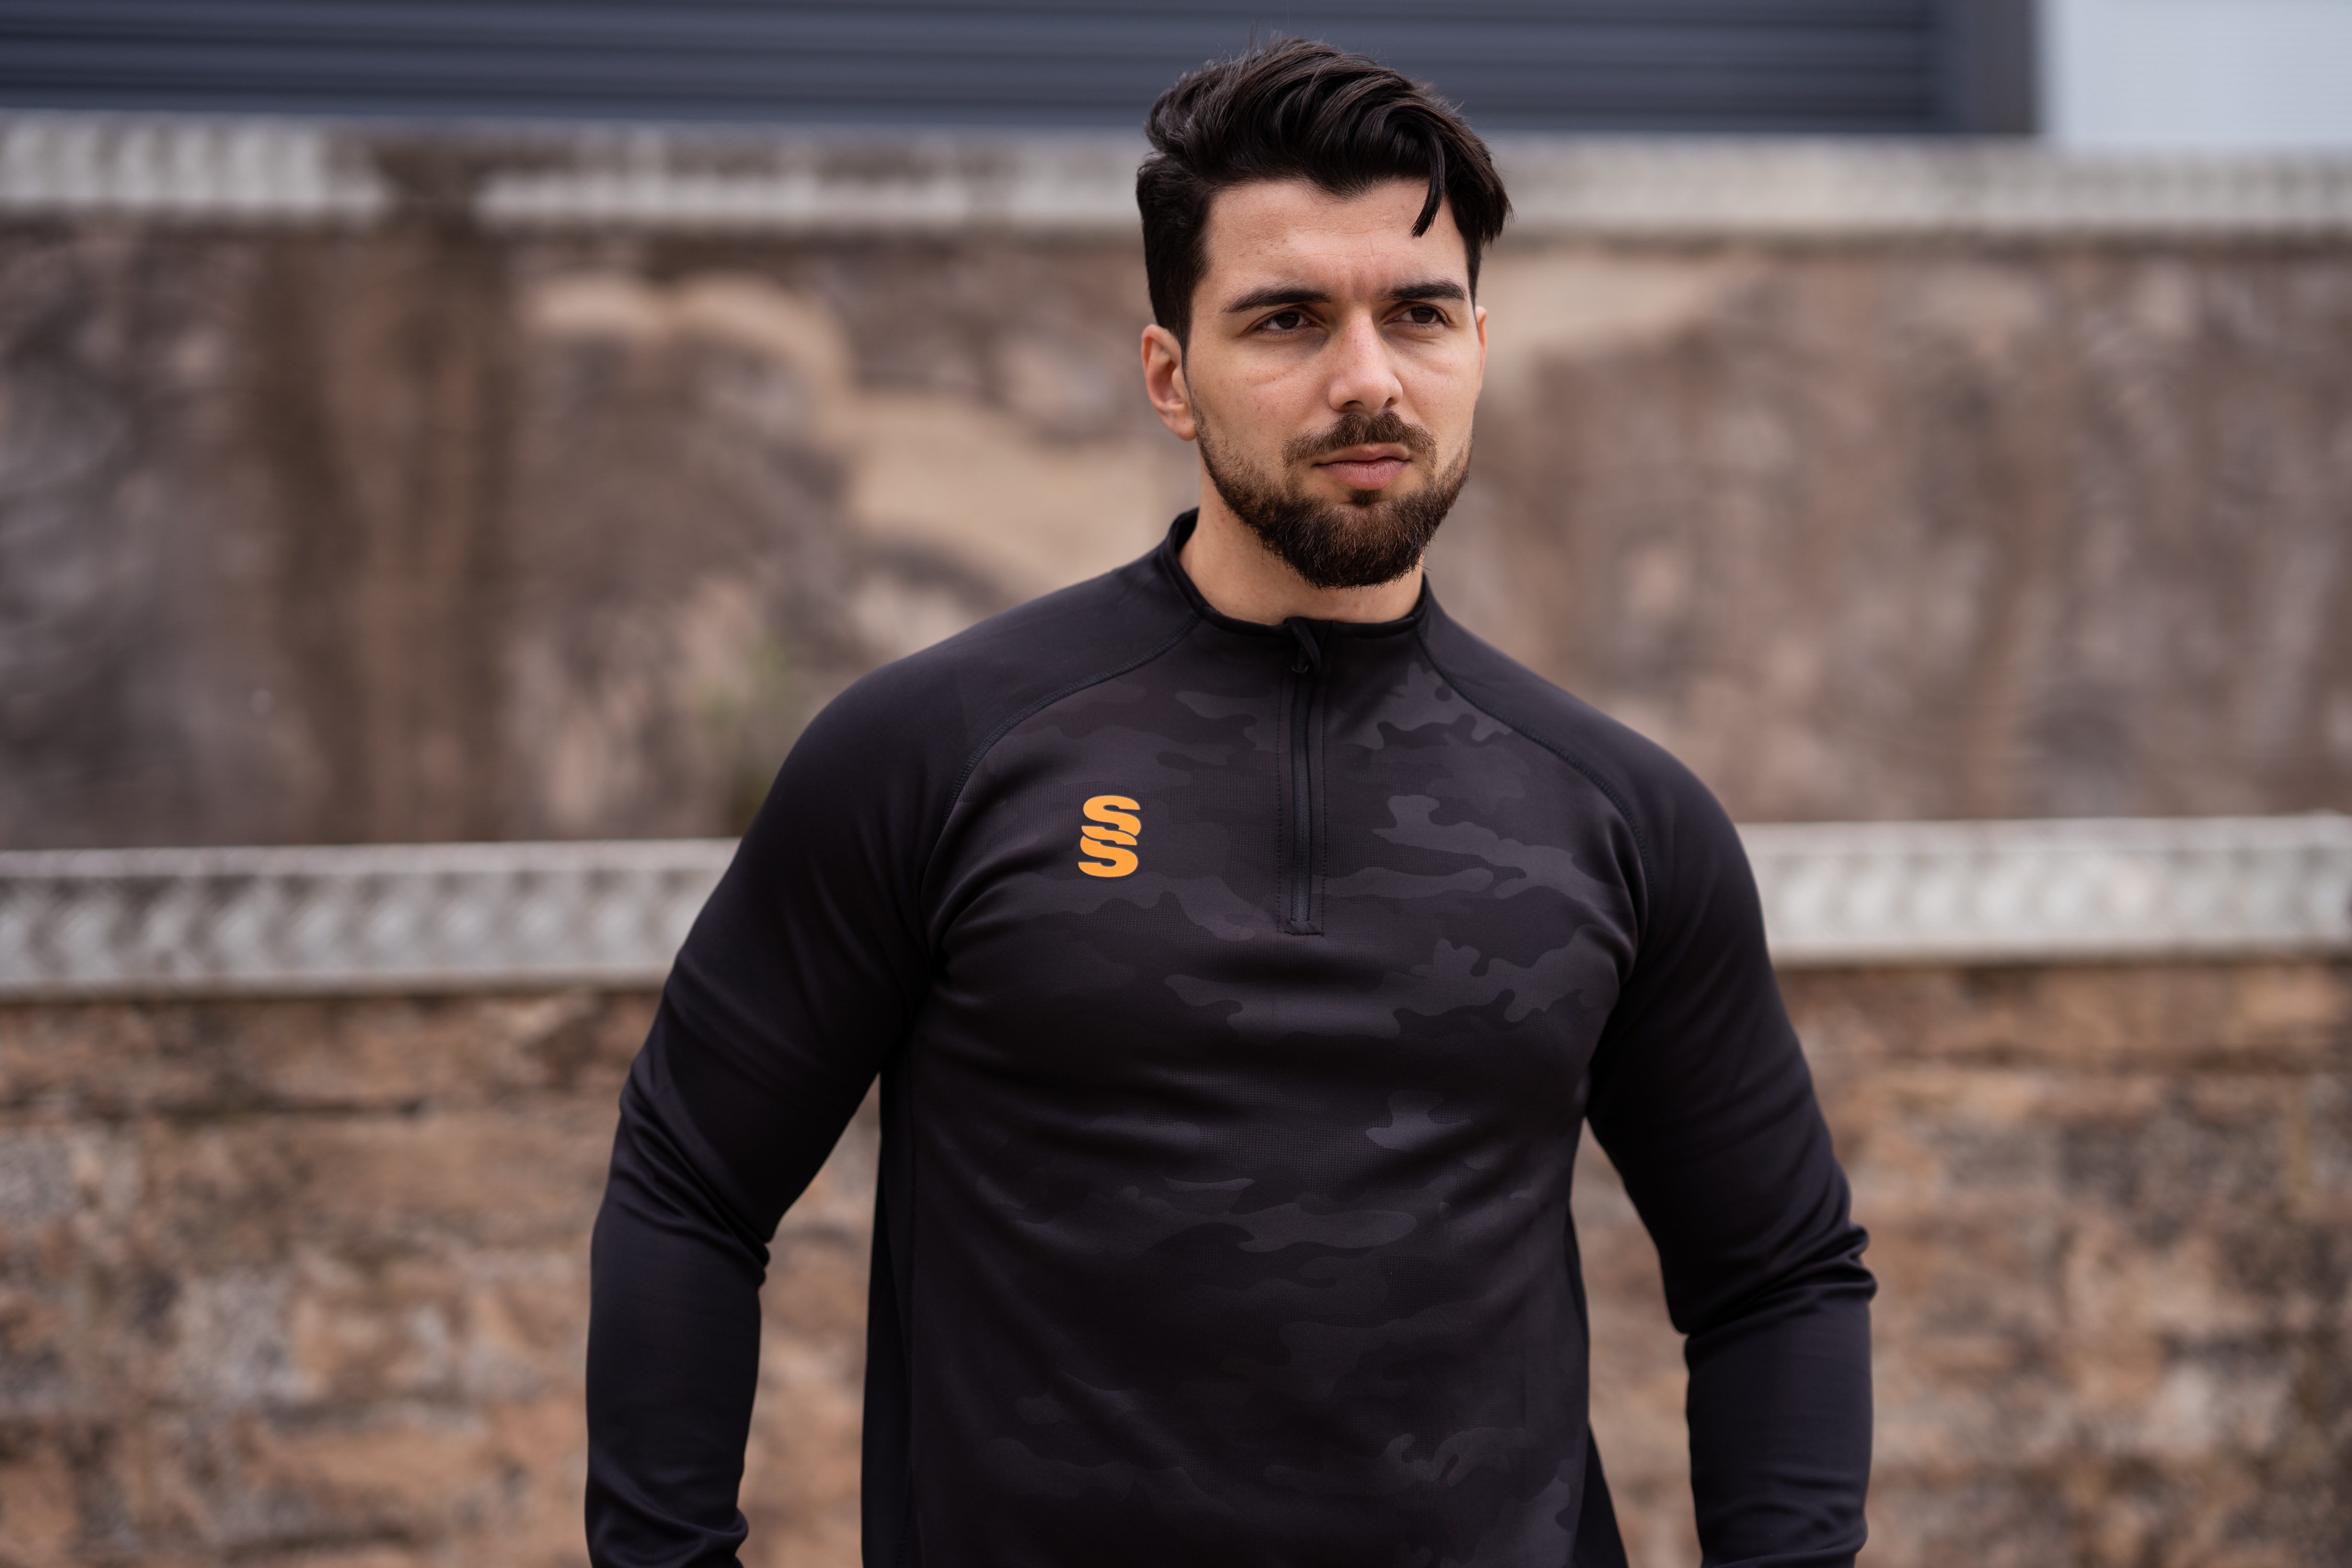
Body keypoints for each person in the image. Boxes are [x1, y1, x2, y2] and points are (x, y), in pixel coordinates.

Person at [586, 39, 1873, 1568]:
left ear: (1478, 345)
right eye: (1286, 319)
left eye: (1418, 313)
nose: (1367, 379)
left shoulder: (1617, 817)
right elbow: (690, 1183)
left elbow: (1777, 1273)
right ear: (1168, 377)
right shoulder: (937, 753)